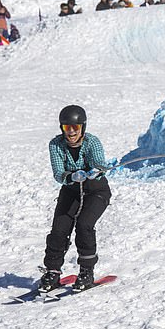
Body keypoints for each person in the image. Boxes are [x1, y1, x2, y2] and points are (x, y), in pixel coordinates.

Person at [40, 105, 112, 292]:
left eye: (75, 128)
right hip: (71, 190)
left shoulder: (92, 142)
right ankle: (53, 272)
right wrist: (70, 176)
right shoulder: (55, 145)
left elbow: (99, 162)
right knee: (59, 228)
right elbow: (58, 173)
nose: (71, 132)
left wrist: (96, 170)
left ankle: (86, 272)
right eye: (67, 128)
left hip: (96, 191)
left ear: (83, 127)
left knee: (84, 225)